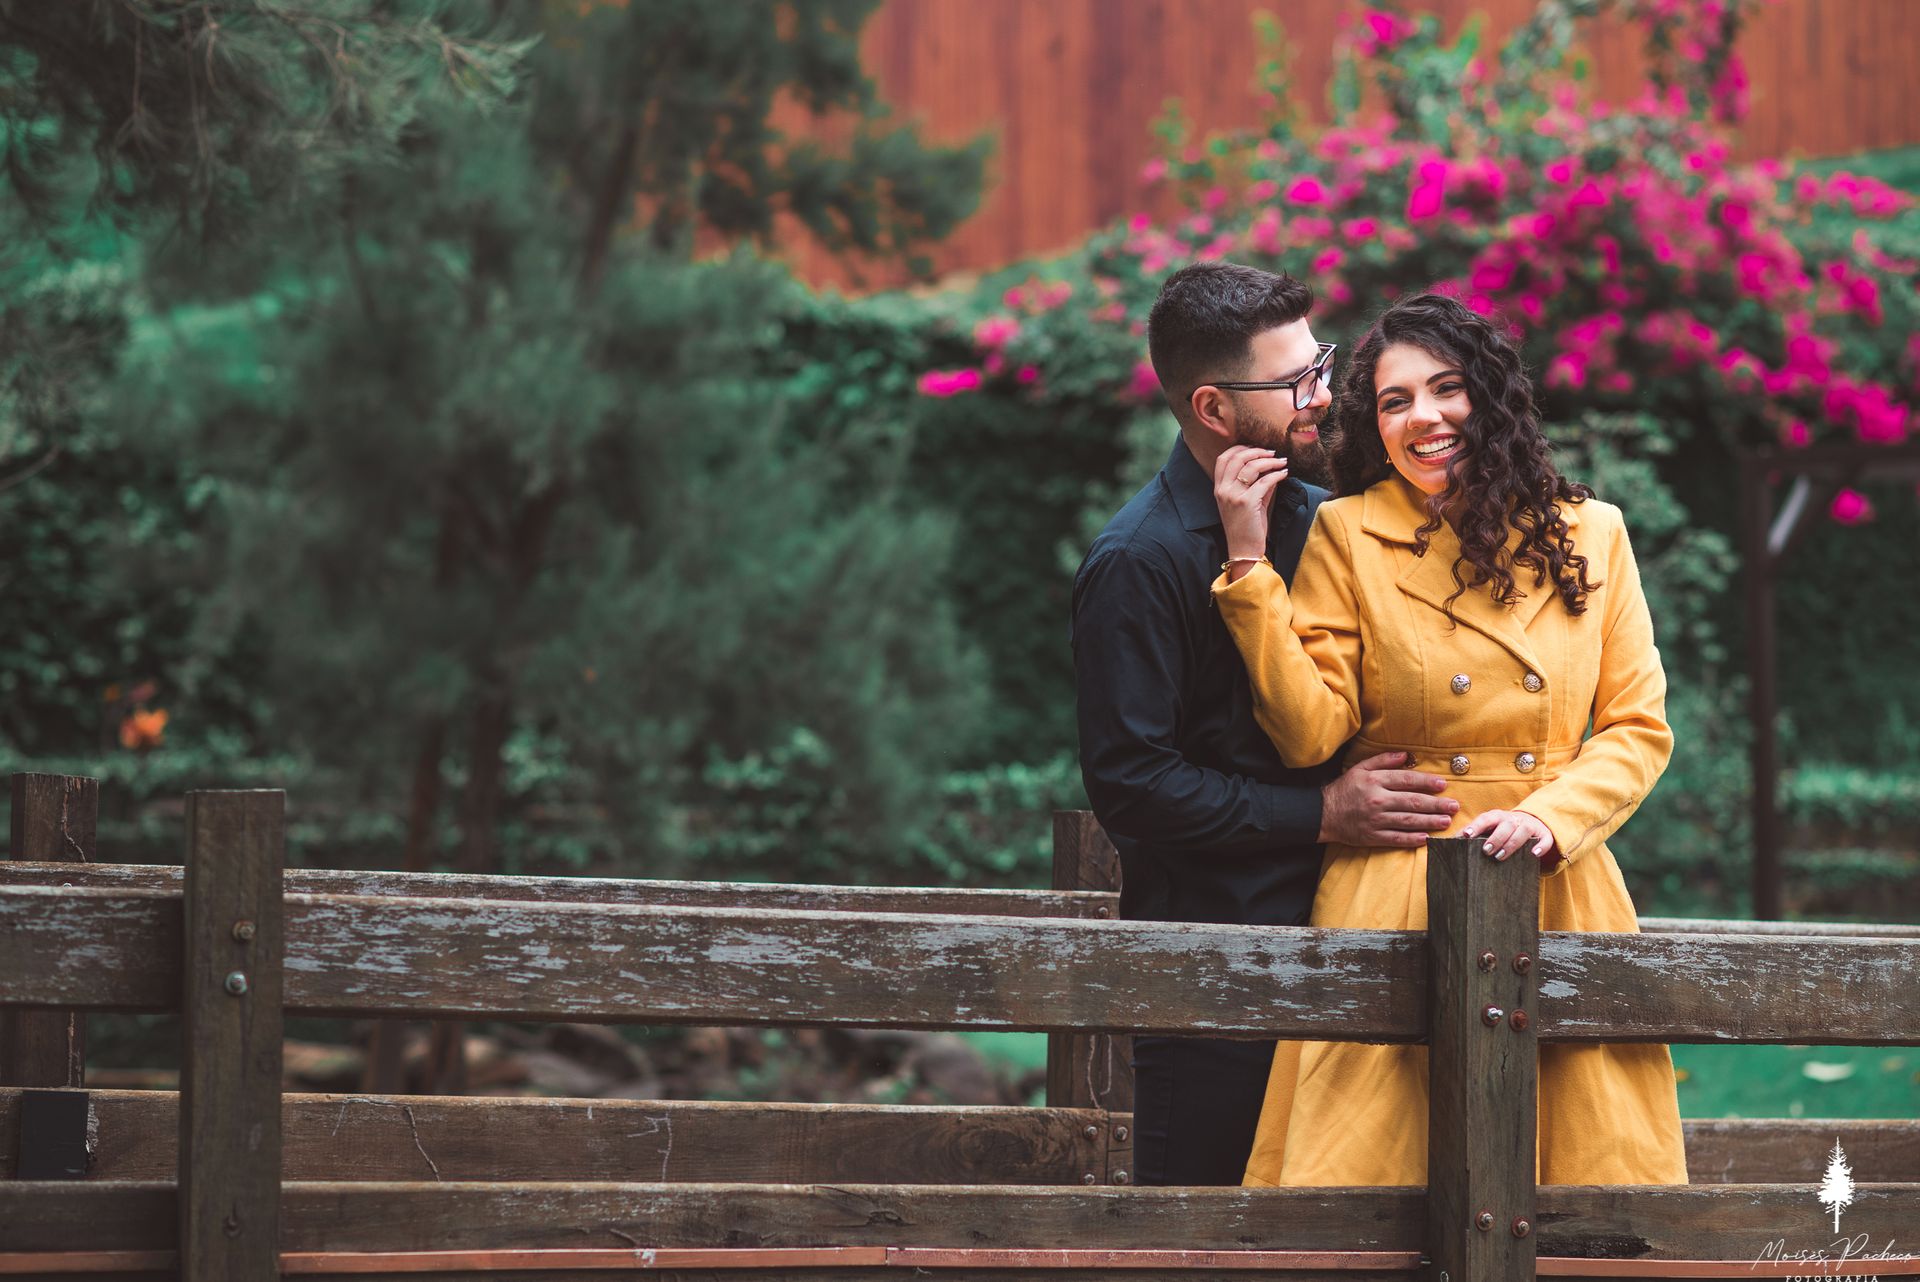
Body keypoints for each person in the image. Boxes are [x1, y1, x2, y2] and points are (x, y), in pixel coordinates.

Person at [1209, 290, 1688, 1187]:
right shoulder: (1347, 535)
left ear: (1491, 400)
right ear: (1374, 425)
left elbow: (1636, 727)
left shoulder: (1595, 533)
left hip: (1557, 884)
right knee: (1365, 1182)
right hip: (1399, 884)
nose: (1423, 418)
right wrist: (1248, 568)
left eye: (1446, 390)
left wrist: (1551, 818)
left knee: (1586, 1184)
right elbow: (1310, 732)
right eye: (1395, 402)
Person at [1071, 263, 1465, 1186]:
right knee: (1212, 1246)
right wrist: (1324, 814)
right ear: (1213, 409)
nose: (1323, 397)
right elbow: (1132, 785)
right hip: (1220, 980)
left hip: (1365, 949)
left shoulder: (1331, 518)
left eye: (1319, 365)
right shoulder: (1138, 562)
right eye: (1296, 383)